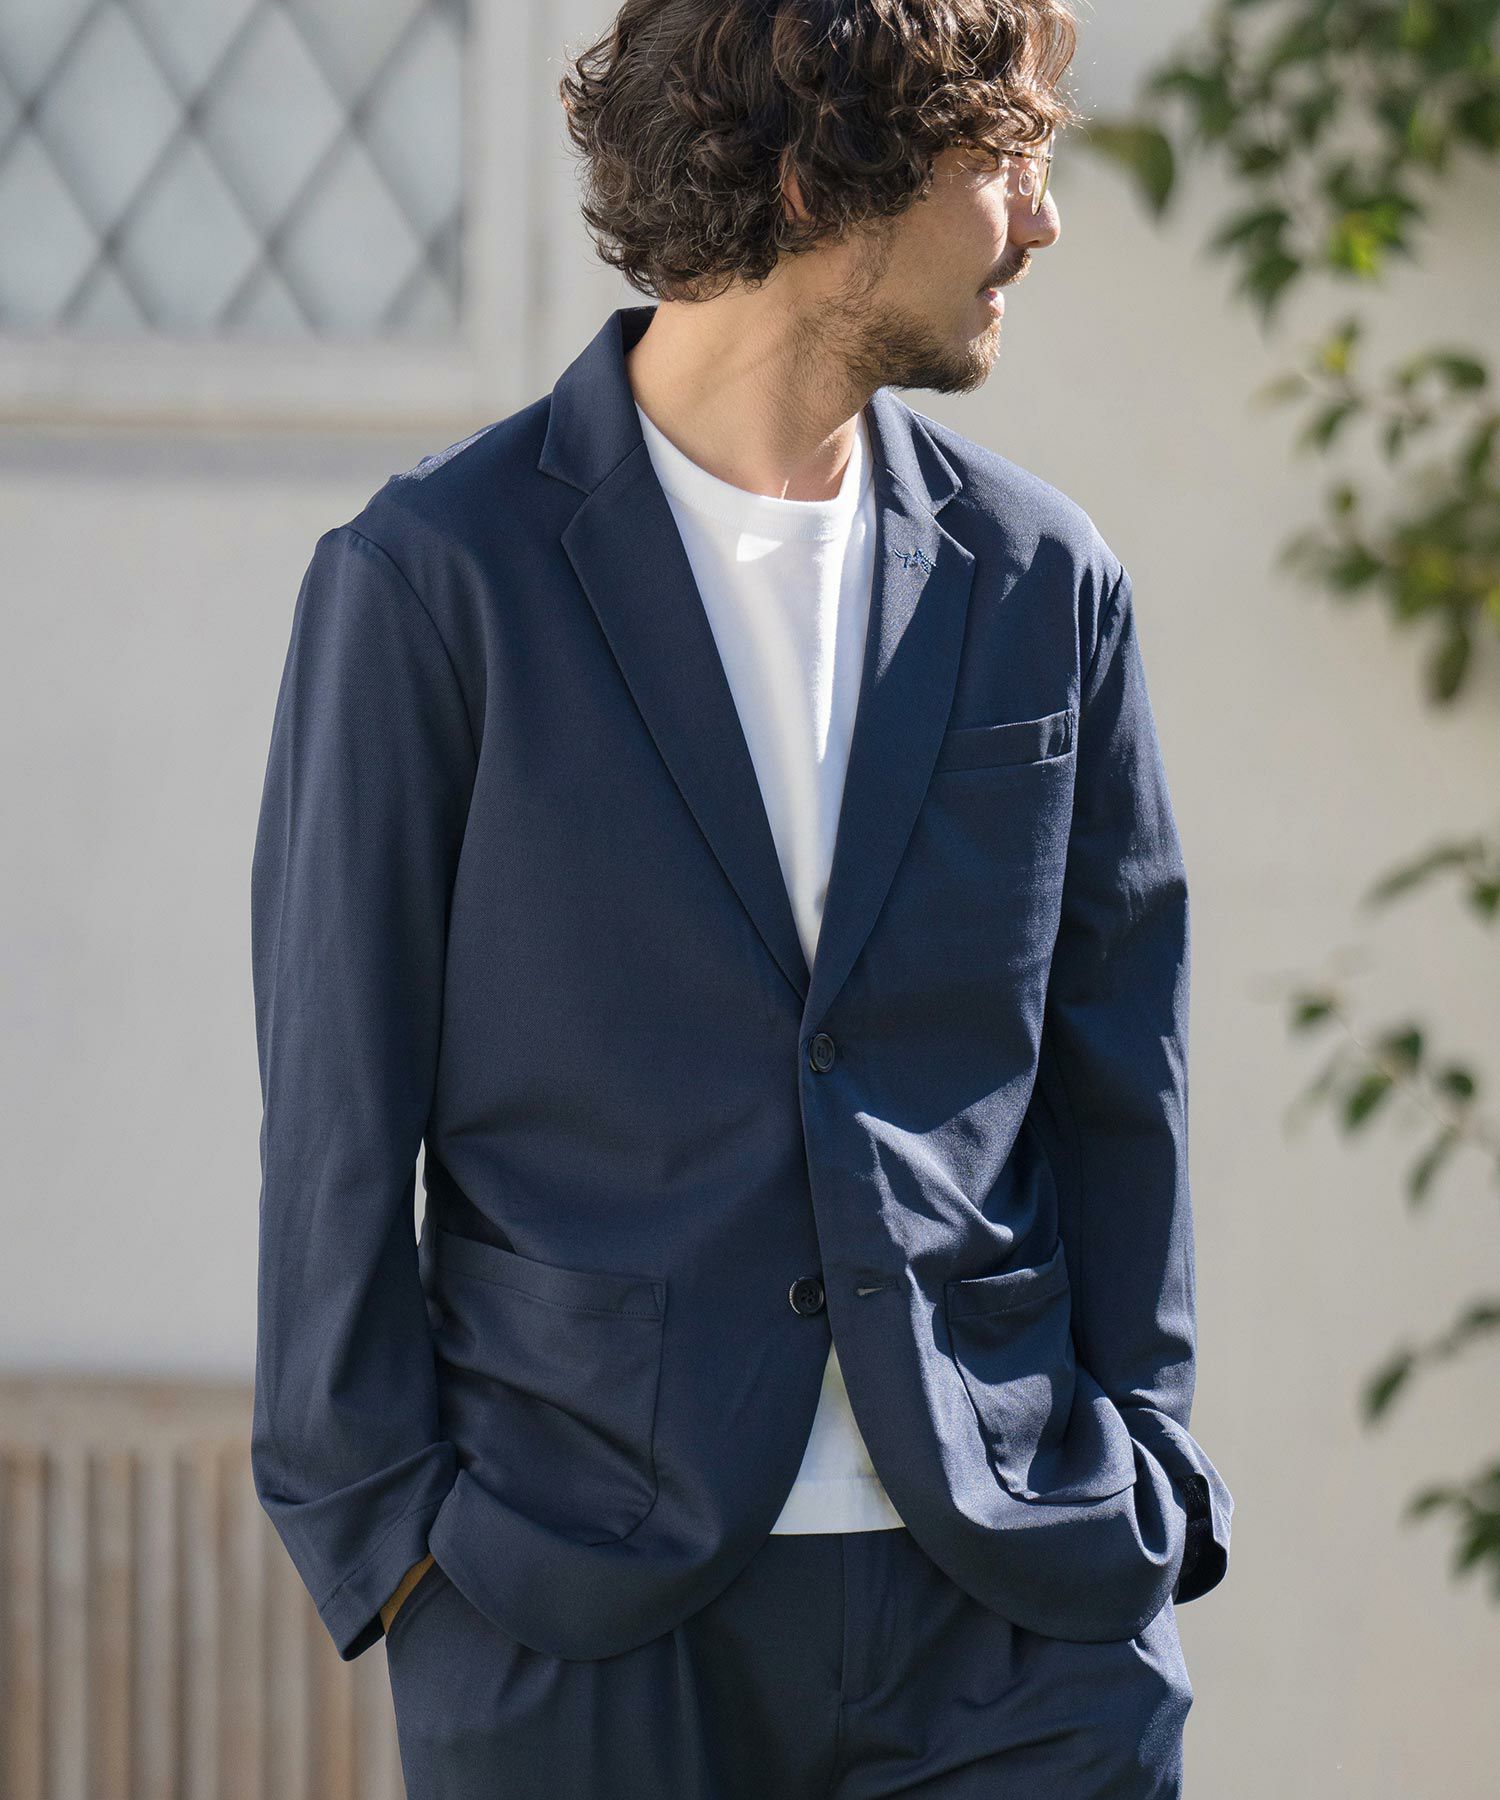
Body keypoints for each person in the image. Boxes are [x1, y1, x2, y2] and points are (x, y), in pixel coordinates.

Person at [249, 2, 1233, 1794]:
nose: (1041, 219)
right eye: (1003, 159)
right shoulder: (435, 583)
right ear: (815, 179)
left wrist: (1145, 1470)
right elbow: (337, 1108)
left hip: (1013, 1616)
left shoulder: (1044, 581)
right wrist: (394, 1550)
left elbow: (1123, 1074)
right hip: (579, 1603)